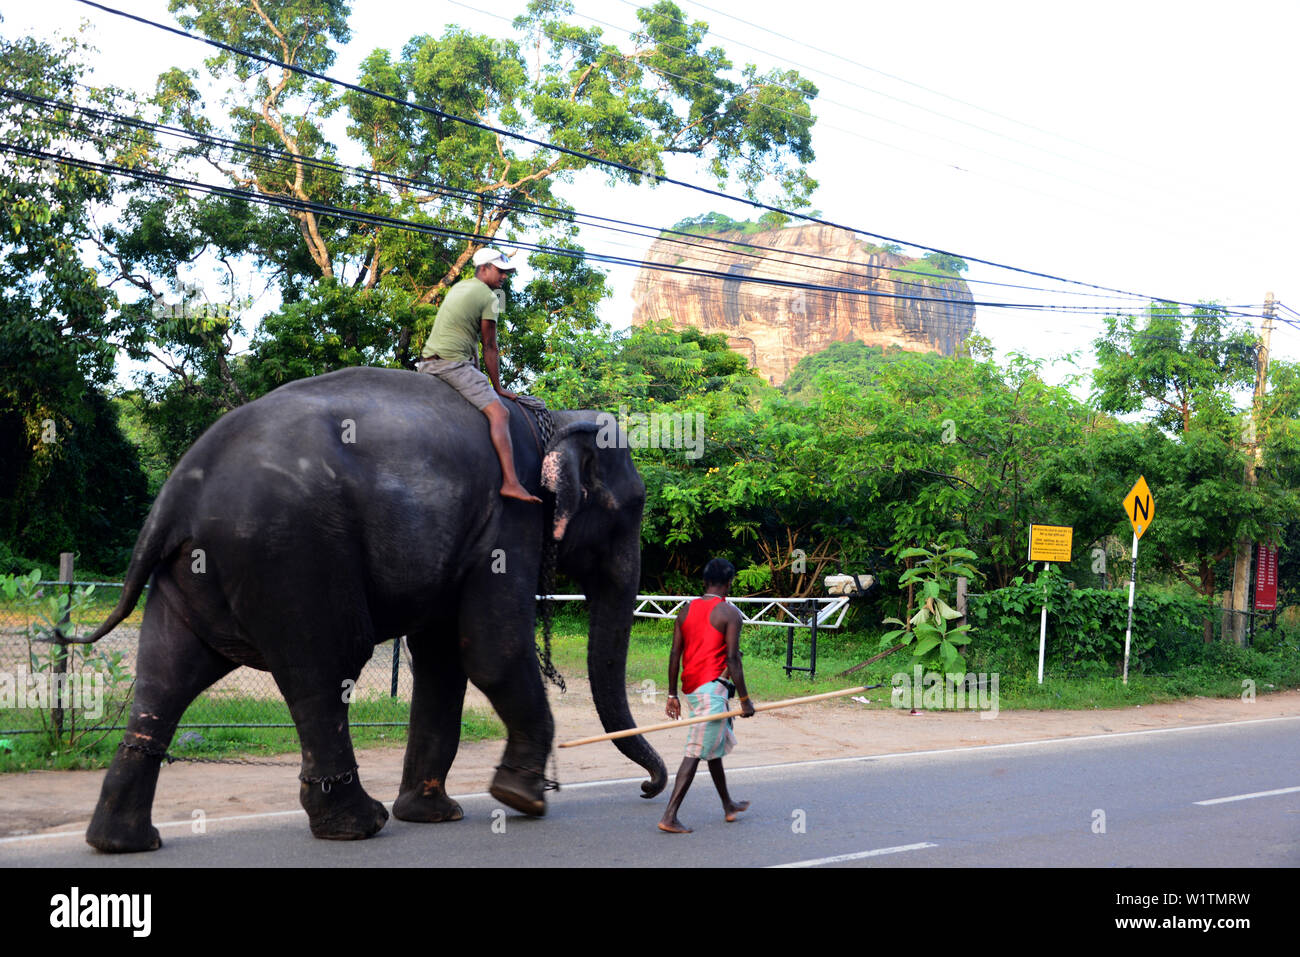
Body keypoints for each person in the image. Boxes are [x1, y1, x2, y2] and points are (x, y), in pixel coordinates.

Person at [415, 247, 541, 504]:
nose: (504, 277)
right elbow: (489, 346)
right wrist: (498, 388)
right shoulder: (489, 296)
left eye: (506, 273)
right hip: (451, 364)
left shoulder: (461, 287)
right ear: (483, 268)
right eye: (500, 271)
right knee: (500, 413)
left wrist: (479, 376)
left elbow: (471, 344)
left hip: (428, 362)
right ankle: (511, 482)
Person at [657, 557, 755, 834]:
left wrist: (671, 694)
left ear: (705, 581)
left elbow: (675, 654)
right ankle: (669, 815)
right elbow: (733, 659)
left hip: (691, 689)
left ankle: (728, 805)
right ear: (729, 582)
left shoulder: (686, 610)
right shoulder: (729, 613)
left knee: (712, 748)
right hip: (712, 691)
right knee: (695, 751)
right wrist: (745, 701)